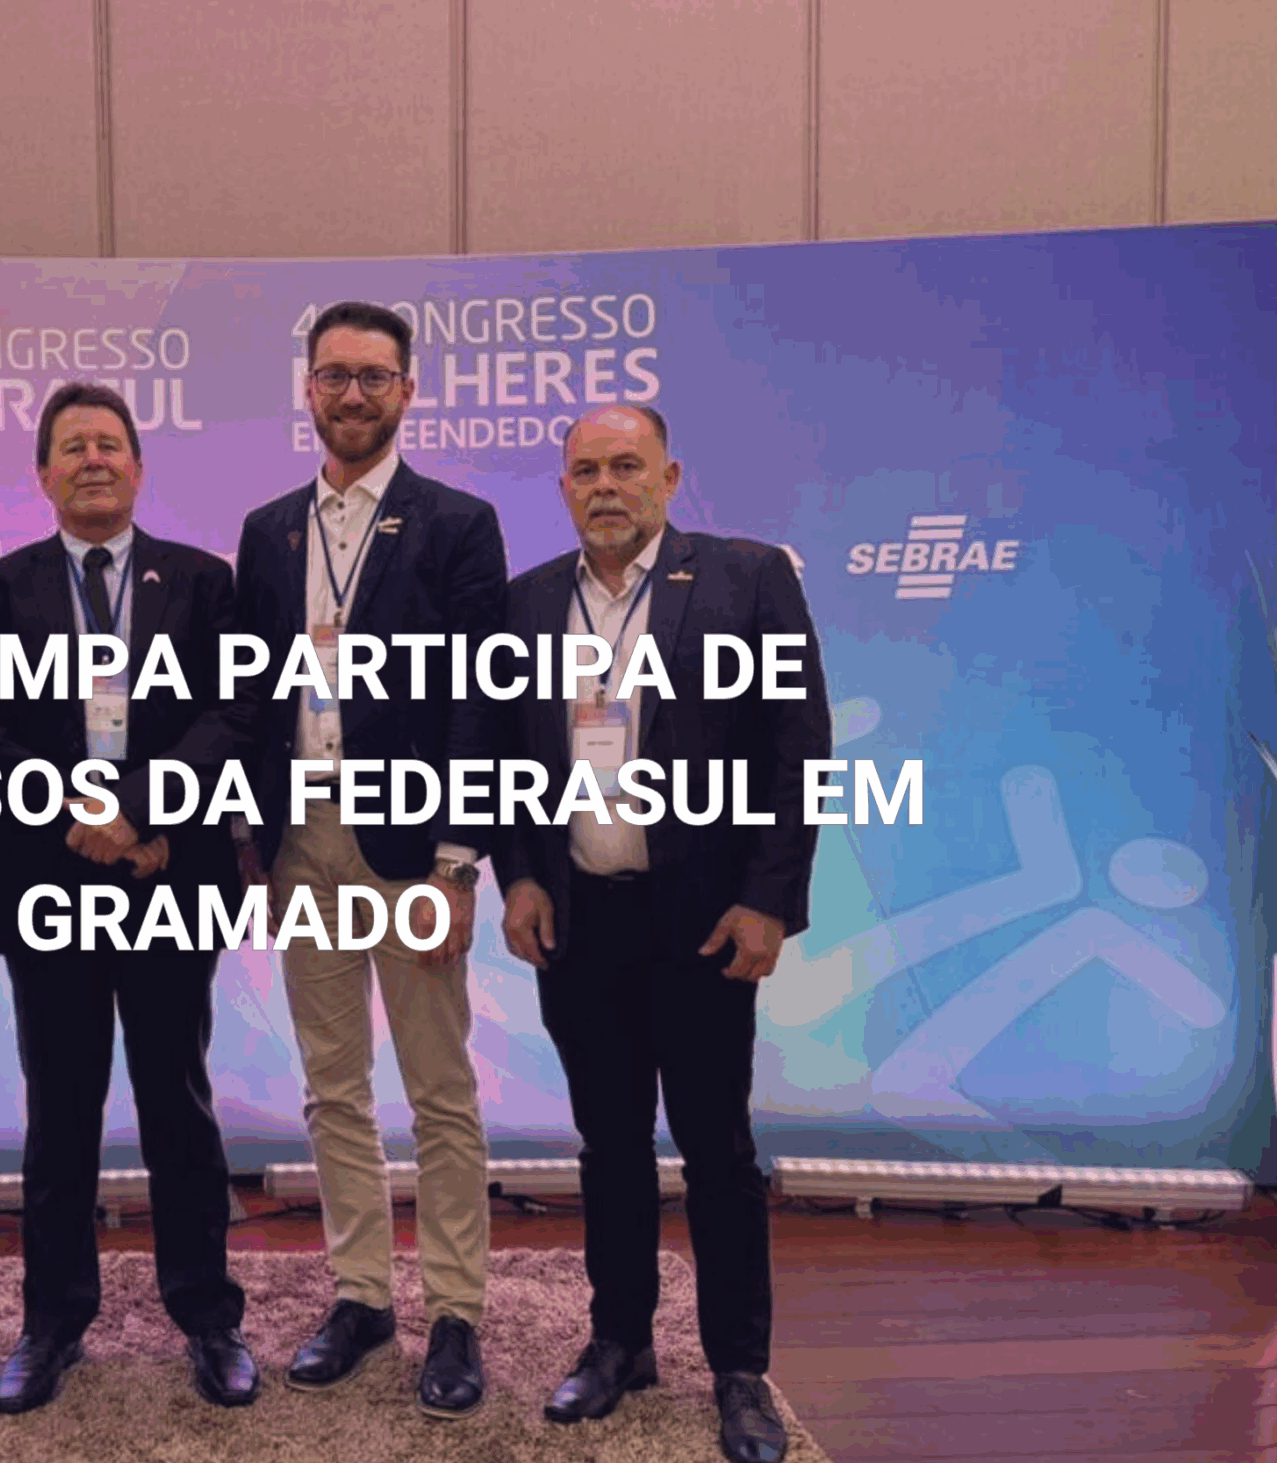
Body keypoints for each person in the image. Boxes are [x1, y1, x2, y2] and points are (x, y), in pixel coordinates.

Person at [495, 403, 829, 1462]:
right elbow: (505, 760)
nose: (606, 485)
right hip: (580, 918)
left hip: (704, 921)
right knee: (608, 1146)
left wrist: (770, 898)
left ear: (669, 477)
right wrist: (519, 876)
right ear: (563, 487)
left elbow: (798, 747)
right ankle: (620, 1342)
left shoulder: (746, 578)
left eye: (626, 466)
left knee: (717, 1149)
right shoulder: (526, 602)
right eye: (586, 469)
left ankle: (739, 1369)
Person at [0, 383, 259, 1414]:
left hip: (166, 871)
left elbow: (232, 713)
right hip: (50, 877)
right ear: (43, 472)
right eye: (73, 445)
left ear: (137, 466)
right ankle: (52, 1322)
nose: (93, 458)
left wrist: (141, 810)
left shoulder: (203, 581)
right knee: (60, 1107)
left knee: (179, 1100)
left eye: (110, 443)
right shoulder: (3, 588)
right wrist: (81, 815)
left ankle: (208, 1316)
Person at [230, 301, 509, 1418]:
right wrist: (248, 841)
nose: (353, 394)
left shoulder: (458, 524)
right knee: (332, 1087)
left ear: (407, 391)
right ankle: (359, 1295)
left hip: (412, 847)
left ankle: (455, 1309)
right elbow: (249, 694)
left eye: (375, 376)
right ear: (307, 388)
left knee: (440, 1088)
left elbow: (480, 699)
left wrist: (457, 863)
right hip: (301, 839)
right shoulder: (266, 531)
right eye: (335, 374)